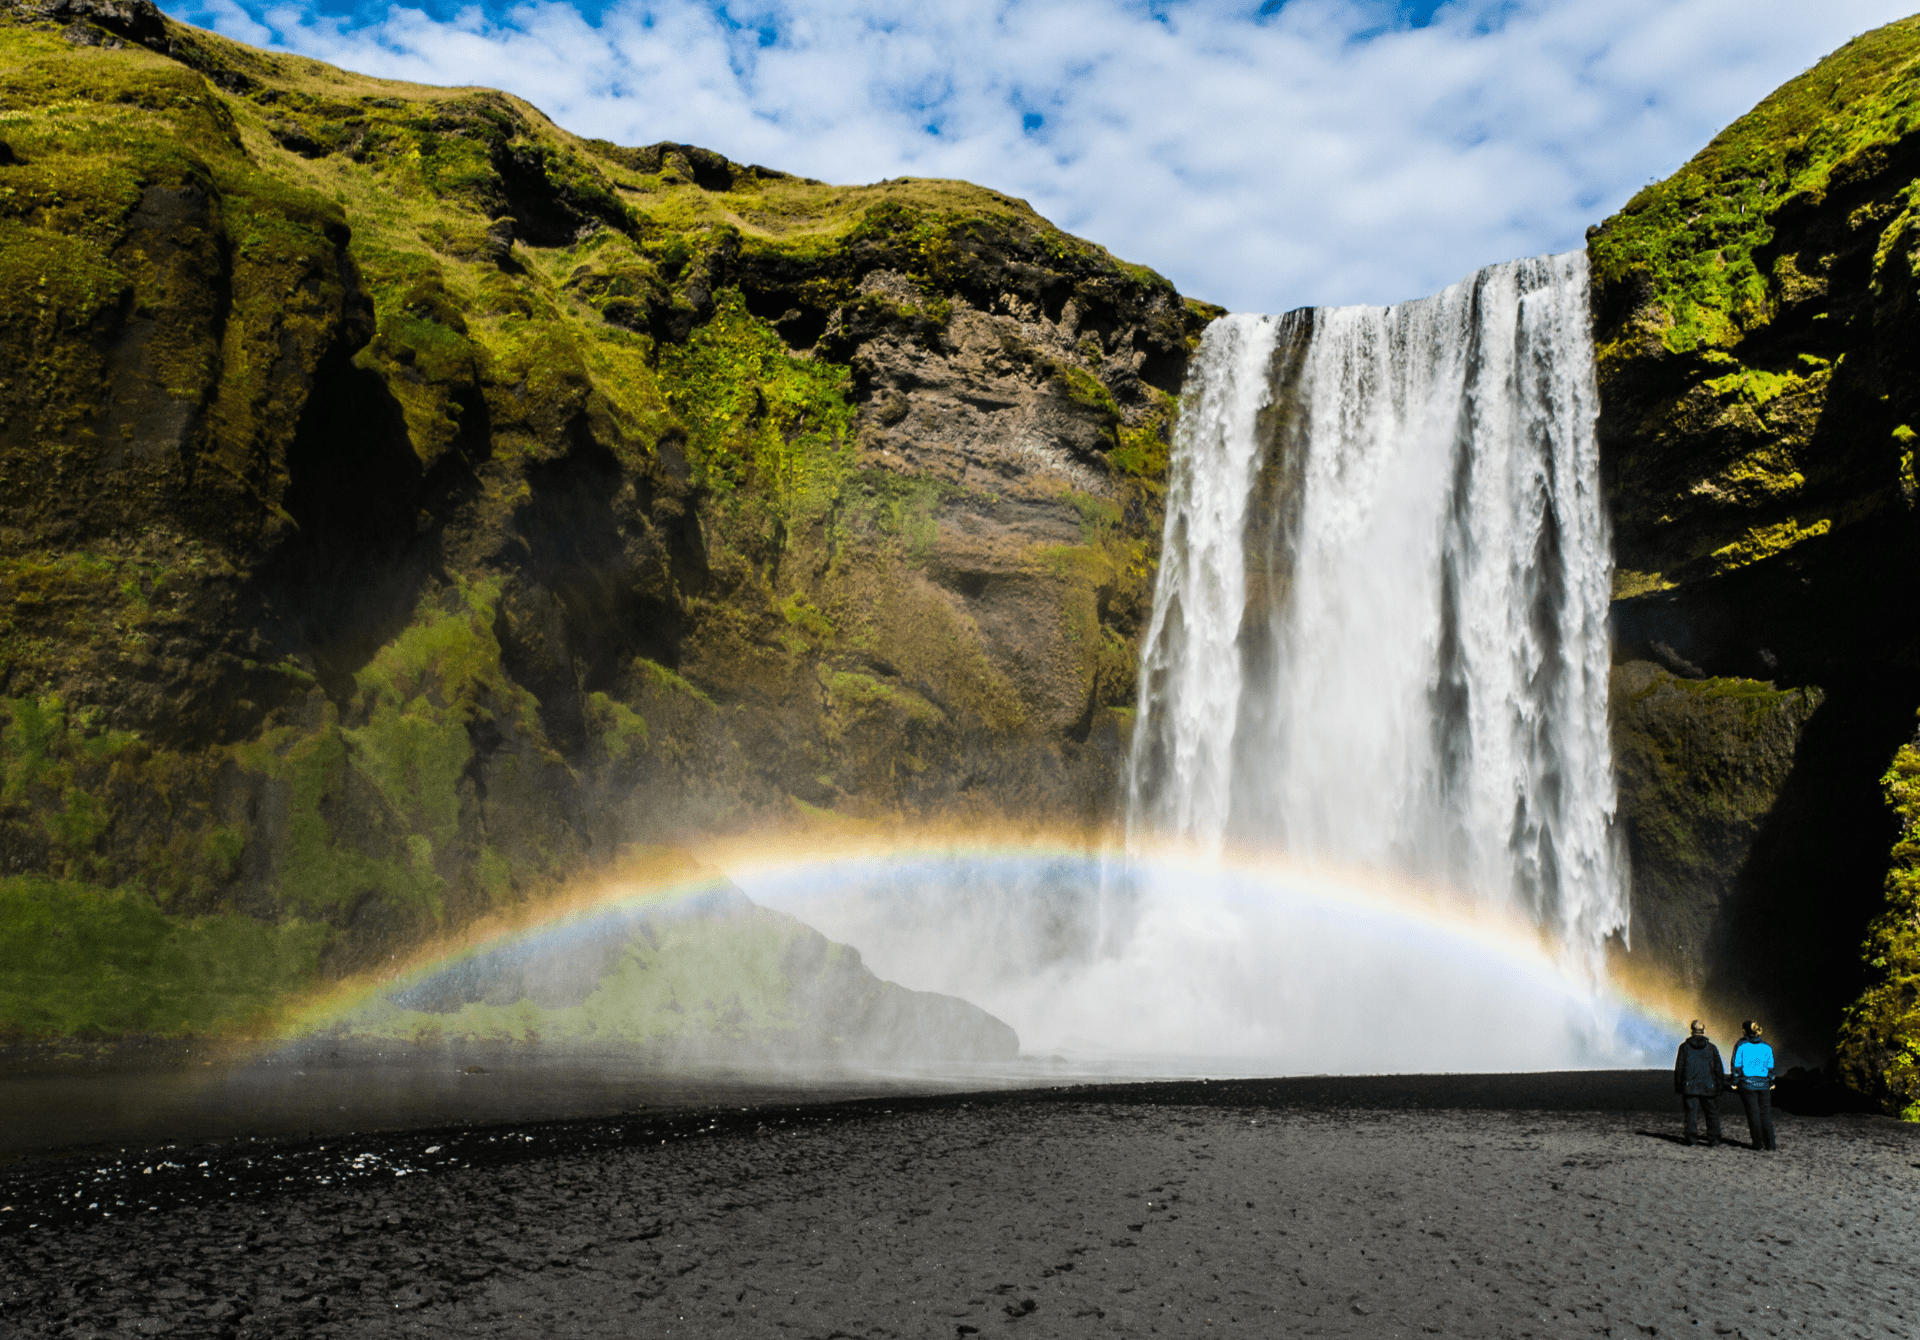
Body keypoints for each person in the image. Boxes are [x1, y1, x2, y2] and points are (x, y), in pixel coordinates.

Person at [1672, 1019, 1724, 1146]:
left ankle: (1691, 1139)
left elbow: (1679, 1068)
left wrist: (1679, 1087)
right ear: (1703, 1031)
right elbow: (1718, 1069)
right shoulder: (1712, 1048)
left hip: (1690, 1087)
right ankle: (1714, 1140)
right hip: (1708, 1086)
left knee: (1690, 1114)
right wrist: (1719, 1086)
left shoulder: (1684, 1047)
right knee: (1712, 1114)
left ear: (1691, 1030)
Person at [1729, 1020, 1778, 1151]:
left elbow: (1736, 1065)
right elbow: (1771, 1067)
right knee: (1765, 1114)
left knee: (1753, 1114)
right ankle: (1771, 1144)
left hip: (1747, 1084)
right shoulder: (1767, 1047)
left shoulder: (1741, 1045)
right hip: (1764, 1085)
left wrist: (1734, 1082)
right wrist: (1771, 1082)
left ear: (1745, 1031)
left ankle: (1757, 1144)